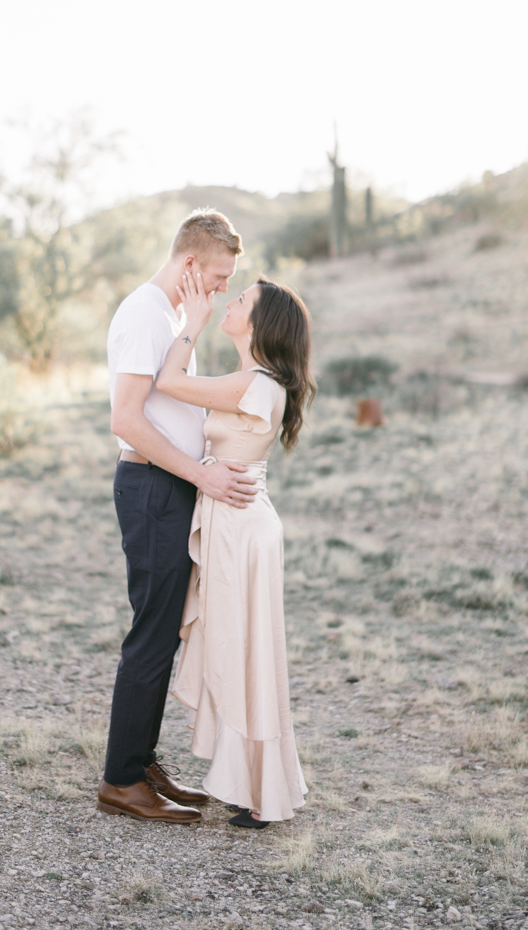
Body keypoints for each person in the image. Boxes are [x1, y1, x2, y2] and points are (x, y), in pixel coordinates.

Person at [97, 209, 258, 825]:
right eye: (218, 278)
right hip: (153, 488)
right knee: (152, 633)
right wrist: (201, 474)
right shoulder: (144, 313)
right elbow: (127, 419)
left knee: (163, 630)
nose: (221, 291)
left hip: (169, 488)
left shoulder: (170, 315)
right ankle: (121, 780)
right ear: (190, 264)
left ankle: (138, 762)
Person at [157, 271, 316, 828]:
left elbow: (168, 380)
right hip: (237, 522)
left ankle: (260, 792)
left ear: (258, 323)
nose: (229, 301)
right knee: (237, 648)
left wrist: (191, 323)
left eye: (240, 299)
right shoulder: (253, 380)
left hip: (243, 528)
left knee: (246, 651)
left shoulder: (253, 384)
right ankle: (249, 782)